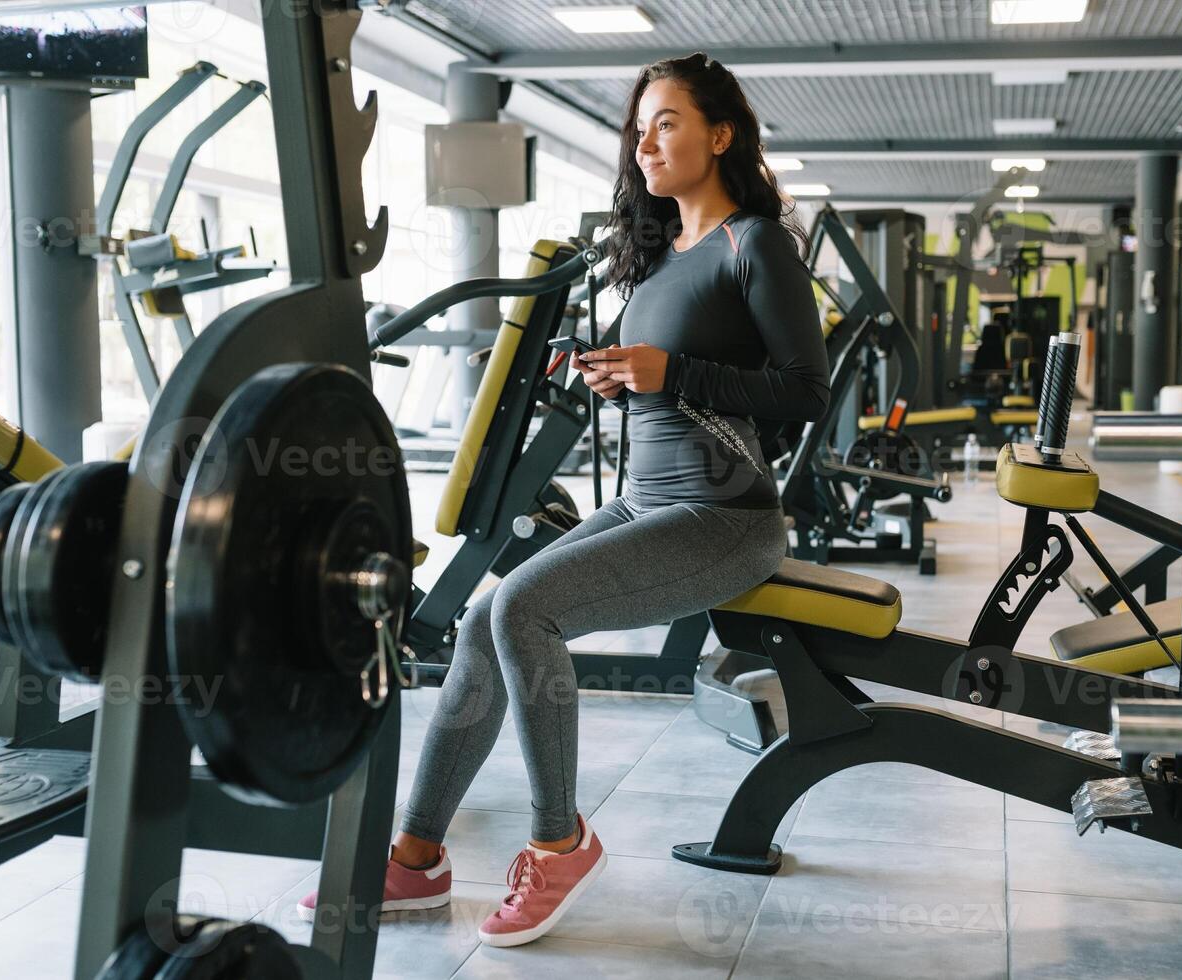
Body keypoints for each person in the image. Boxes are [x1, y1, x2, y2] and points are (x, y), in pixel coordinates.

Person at [299, 51, 830, 948]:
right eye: (640, 126)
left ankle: (558, 843)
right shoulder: (663, 257)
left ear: (722, 134)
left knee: (525, 609)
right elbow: (667, 384)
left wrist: (675, 371)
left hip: (728, 519)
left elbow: (805, 392)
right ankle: (417, 861)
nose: (646, 141)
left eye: (667, 122)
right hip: (642, 500)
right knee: (481, 620)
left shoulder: (757, 243)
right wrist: (609, 375)